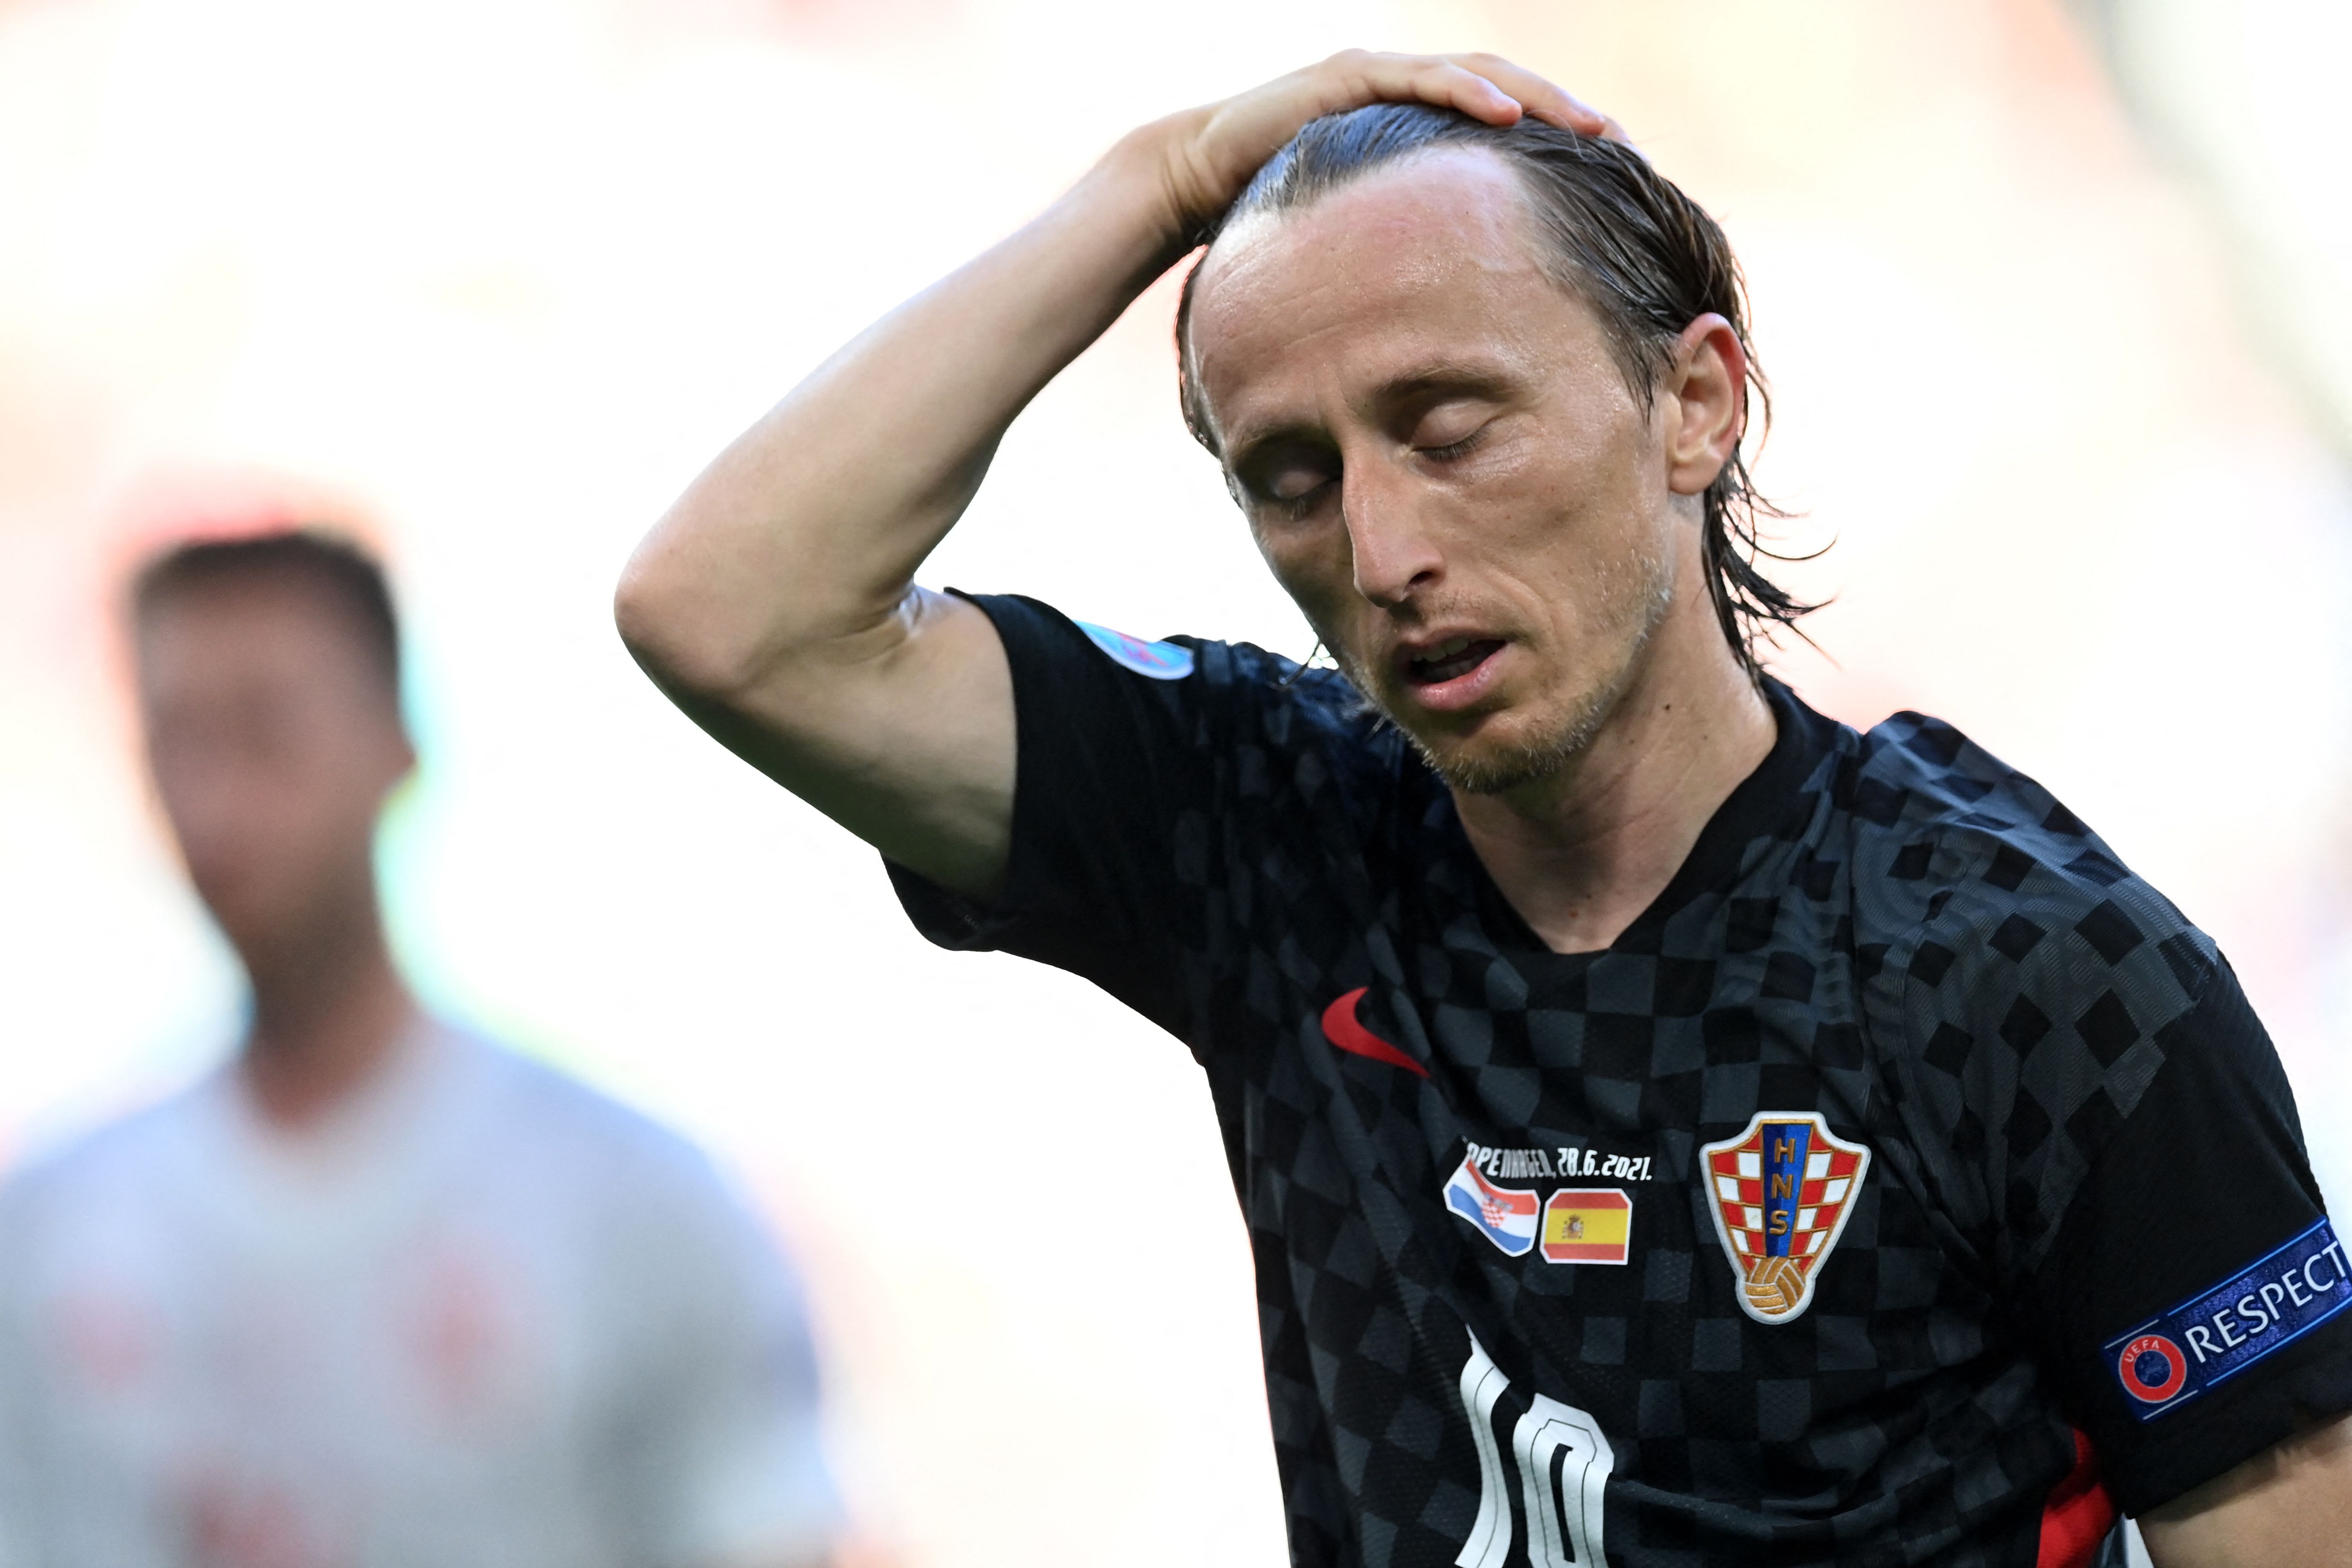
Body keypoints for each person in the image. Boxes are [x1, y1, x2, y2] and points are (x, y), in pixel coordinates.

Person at [612, 51, 2352, 1568]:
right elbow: (730, 612)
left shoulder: (2042, 981)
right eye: (1291, 480)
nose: (1381, 554)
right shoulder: (1267, 828)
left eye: (1447, 431)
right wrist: (1157, 183)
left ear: (1692, 404)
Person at [0, 530, 840, 1568]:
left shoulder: (635, 1202)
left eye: (267, 732)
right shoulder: (46, 1228)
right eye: (180, 740)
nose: (217, 803)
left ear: (396, 741)